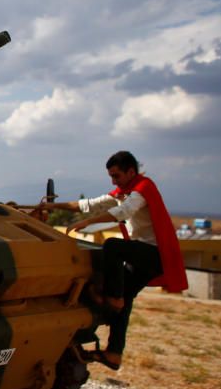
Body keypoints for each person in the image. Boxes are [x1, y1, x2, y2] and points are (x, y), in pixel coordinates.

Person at [38, 151, 188, 370]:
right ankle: (114, 353)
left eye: (116, 176)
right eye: (111, 176)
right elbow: (89, 204)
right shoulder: (124, 191)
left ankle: (113, 296)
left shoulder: (142, 189)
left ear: (131, 171)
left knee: (113, 247)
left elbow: (122, 213)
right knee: (124, 304)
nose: (113, 181)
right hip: (144, 254)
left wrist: (85, 223)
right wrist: (53, 207)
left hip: (153, 253)